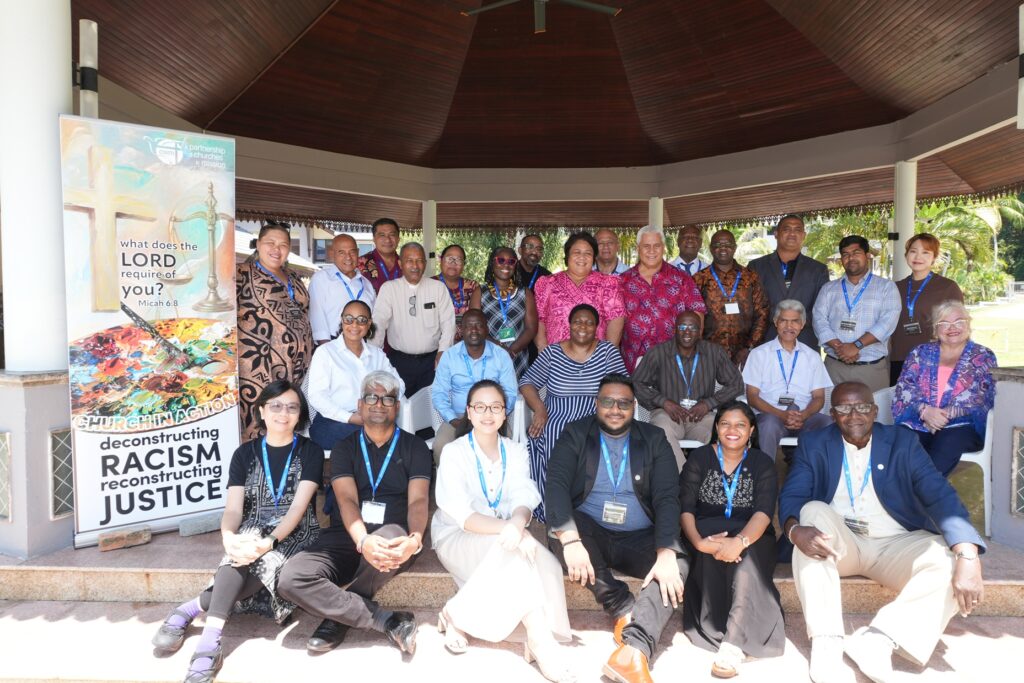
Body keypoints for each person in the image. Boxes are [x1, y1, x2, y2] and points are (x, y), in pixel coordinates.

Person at [779, 381, 985, 683]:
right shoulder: (815, 442)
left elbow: (939, 494)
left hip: (895, 543)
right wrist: (794, 529)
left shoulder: (902, 441)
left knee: (953, 560)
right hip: (840, 544)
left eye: (862, 407)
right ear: (832, 415)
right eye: (843, 408)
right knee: (812, 512)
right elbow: (793, 495)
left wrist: (968, 553)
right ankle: (827, 640)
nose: (854, 415)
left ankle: (879, 640)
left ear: (875, 411)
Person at [151, 381, 322, 682]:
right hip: (252, 528)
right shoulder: (245, 454)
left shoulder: (311, 452)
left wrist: (269, 542)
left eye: (292, 407)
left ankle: (192, 611)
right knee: (237, 557)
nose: (283, 413)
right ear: (262, 411)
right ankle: (211, 641)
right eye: (276, 406)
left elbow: (298, 509)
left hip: (295, 533)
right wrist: (229, 538)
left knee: (263, 562)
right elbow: (232, 510)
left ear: (300, 415)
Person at [544, 375, 688, 683]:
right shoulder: (575, 434)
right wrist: (571, 541)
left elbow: (667, 497)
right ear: (597, 404)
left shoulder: (654, 438)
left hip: (638, 538)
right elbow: (555, 486)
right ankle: (622, 607)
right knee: (560, 531)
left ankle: (634, 650)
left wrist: (665, 552)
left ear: (634, 407)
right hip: (590, 534)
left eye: (623, 403)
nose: (615, 409)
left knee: (679, 563)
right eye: (608, 402)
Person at [277, 371, 431, 655]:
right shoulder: (344, 448)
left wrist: (415, 539)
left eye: (387, 399)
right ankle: (386, 620)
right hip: (348, 534)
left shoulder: (415, 447)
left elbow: (418, 501)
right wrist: (362, 539)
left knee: (389, 543)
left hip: (393, 535)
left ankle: (338, 618)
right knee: (291, 578)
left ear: (397, 407)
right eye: (371, 397)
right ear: (360, 405)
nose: (379, 404)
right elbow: (346, 500)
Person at [432, 380, 574, 682]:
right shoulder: (454, 452)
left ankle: (456, 614)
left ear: (505, 411)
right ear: (469, 412)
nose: (488, 414)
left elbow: (524, 496)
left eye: (495, 407)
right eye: (480, 407)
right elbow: (463, 516)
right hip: (456, 535)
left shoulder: (515, 450)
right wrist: (510, 529)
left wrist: (518, 524)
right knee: (515, 555)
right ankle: (539, 640)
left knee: (547, 563)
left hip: (505, 532)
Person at [679, 400, 784, 679]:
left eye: (740, 425)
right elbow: (685, 508)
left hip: (752, 534)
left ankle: (733, 643)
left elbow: (763, 513)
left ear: (751, 430)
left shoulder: (762, 463)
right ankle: (720, 628)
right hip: (704, 534)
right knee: (707, 556)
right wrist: (699, 542)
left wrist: (740, 542)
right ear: (716, 427)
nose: (732, 430)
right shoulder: (699, 458)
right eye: (725, 424)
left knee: (748, 563)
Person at [520, 304, 628, 521]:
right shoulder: (552, 353)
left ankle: (589, 510)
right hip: (555, 416)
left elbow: (623, 386)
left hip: (595, 416)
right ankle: (554, 508)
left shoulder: (608, 352)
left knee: (598, 443)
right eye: (578, 321)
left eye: (589, 323)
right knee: (550, 435)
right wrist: (539, 409)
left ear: (597, 327)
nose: (583, 327)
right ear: (569, 324)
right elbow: (527, 382)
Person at [892, 300, 996, 476]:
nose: (952, 328)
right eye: (944, 323)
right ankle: (904, 488)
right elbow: (905, 387)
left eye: (959, 321)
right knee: (902, 442)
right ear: (935, 328)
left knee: (947, 443)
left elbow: (982, 396)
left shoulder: (983, 355)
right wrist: (925, 411)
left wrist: (942, 416)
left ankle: (921, 491)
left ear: (968, 324)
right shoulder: (919, 352)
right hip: (920, 420)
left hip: (963, 425)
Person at [633, 311, 743, 470]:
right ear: (675, 329)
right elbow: (636, 383)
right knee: (661, 431)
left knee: (725, 430)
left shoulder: (714, 352)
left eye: (693, 327)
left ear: (700, 331)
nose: (687, 332)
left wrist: (709, 403)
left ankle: (715, 478)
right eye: (682, 327)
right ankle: (683, 479)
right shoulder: (658, 352)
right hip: (667, 415)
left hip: (702, 417)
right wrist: (663, 402)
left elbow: (736, 384)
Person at [237, 221, 314, 440]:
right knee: (260, 413)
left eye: (283, 245)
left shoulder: (294, 277)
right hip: (258, 363)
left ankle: (286, 455)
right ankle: (255, 457)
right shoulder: (240, 273)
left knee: (288, 413)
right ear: (258, 244)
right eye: (270, 242)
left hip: (296, 365)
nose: (276, 249)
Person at [306, 300, 405, 451]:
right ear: (342, 320)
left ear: (369, 323)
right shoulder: (326, 352)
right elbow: (316, 396)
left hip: (374, 419)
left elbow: (399, 385)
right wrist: (350, 417)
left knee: (395, 439)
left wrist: (380, 405)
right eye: (349, 319)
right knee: (372, 440)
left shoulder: (377, 354)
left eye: (361, 320)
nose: (354, 325)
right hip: (332, 421)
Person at [742, 300, 833, 460]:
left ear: (802, 324)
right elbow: (752, 397)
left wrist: (803, 415)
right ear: (776, 322)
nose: (789, 326)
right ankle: (764, 472)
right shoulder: (759, 354)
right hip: (771, 414)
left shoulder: (812, 356)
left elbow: (819, 397)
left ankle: (814, 471)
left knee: (827, 423)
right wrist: (781, 414)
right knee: (768, 425)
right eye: (783, 320)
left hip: (804, 416)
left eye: (795, 321)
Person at [812, 235, 900, 393]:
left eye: (856, 252)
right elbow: (819, 320)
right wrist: (840, 348)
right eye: (845, 254)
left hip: (871, 369)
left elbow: (887, 323)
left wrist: (856, 346)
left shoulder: (886, 287)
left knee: (874, 408)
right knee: (831, 408)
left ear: (867, 255)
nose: (850, 258)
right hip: (834, 367)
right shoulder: (828, 289)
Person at [431, 309, 518, 461]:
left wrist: (494, 416)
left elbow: (510, 393)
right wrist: (454, 420)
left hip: (492, 416)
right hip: (459, 417)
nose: (474, 330)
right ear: (461, 330)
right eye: (469, 326)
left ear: (487, 329)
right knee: (441, 446)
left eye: (479, 325)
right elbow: (439, 393)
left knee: (504, 450)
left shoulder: (501, 356)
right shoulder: (449, 356)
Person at [371, 242, 456, 396]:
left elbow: (448, 323)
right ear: (400, 264)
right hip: (399, 362)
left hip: (431, 362)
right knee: (400, 404)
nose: (415, 266)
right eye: (409, 260)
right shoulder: (389, 288)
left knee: (431, 404)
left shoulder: (438, 288)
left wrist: (443, 351)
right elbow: (379, 324)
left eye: (419, 261)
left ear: (425, 263)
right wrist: (374, 355)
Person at [619, 225, 706, 373]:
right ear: (638, 248)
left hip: (675, 361)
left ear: (663, 248)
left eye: (657, 246)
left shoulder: (682, 278)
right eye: (646, 246)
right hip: (633, 361)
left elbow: (697, 315)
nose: (652, 251)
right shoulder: (623, 281)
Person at [889, 233, 965, 386]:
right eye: (913, 251)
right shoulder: (894, 288)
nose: (918, 257)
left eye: (925, 252)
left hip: (934, 361)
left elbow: (959, 327)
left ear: (934, 257)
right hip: (899, 359)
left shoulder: (947, 287)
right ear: (906, 255)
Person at [747, 214, 830, 350]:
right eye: (787, 229)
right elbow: (751, 306)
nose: (792, 233)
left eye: (797, 230)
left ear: (803, 235)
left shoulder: (818, 269)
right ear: (776, 234)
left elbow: (821, 309)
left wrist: (795, 322)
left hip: (805, 340)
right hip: (766, 339)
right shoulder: (756, 266)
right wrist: (778, 320)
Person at [533, 231, 625, 350]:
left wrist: (606, 354)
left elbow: (616, 320)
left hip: (597, 357)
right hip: (556, 356)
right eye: (577, 252)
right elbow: (539, 320)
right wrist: (546, 353)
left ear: (594, 258)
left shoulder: (608, 283)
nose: (582, 257)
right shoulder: (547, 283)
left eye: (588, 253)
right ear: (567, 255)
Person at [692, 229, 769, 368]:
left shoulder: (751, 277)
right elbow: (693, 317)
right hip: (709, 355)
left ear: (734, 247)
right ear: (711, 248)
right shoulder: (699, 279)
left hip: (745, 356)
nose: (723, 248)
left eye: (727, 244)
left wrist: (750, 347)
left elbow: (762, 313)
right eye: (718, 245)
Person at [470, 246, 538, 379]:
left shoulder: (525, 293)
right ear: (492, 263)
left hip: (517, 356)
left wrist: (511, 351)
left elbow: (531, 328)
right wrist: (499, 349)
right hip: (488, 354)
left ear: (515, 265)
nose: (506, 265)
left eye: (511, 261)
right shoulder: (480, 292)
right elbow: (474, 327)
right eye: (501, 260)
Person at [308, 234, 376, 345]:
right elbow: (317, 318)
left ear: (358, 253)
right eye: (341, 252)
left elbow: (372, 318)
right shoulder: (321, 279)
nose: (348, 257)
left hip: (362, 345)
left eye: (352, 252)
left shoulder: (366, 284)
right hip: (332, 344)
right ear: (332, 254)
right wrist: (328, 350)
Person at [434, 243, 479, 342]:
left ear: (464, 264)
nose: (453, 263)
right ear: (441, 260)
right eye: (449, 258)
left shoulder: (472, 286)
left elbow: (476, 319)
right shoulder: (430, 285)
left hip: (466, 343)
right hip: (436, 344)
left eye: (458, 260)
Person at [358, 217, 402, 292]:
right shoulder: (360, 263)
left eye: (392, 235)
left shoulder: (406, 264)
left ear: (398, 239)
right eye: (382, 235)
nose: (387, 240)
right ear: (374, 239)